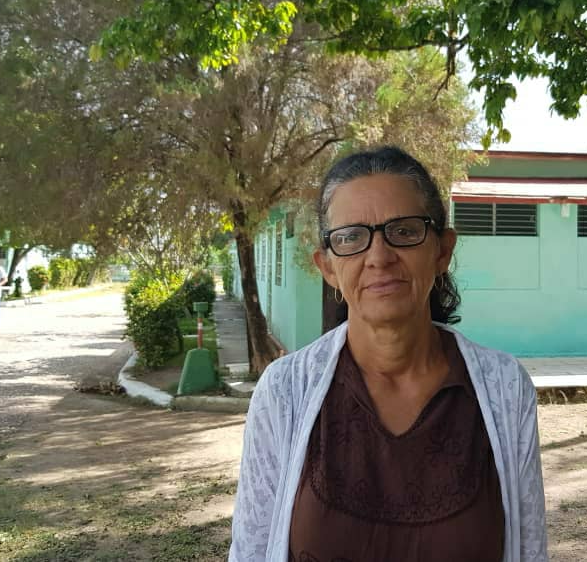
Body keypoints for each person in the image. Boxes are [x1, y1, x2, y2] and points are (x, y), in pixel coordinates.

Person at [229, 146, 548, 561]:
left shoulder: (504, 388)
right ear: (328, 267)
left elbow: (529, 551)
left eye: (404, 231)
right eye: (351, 238)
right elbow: (251, 551)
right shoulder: (283, 392)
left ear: (442, 251)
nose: (378, 257)